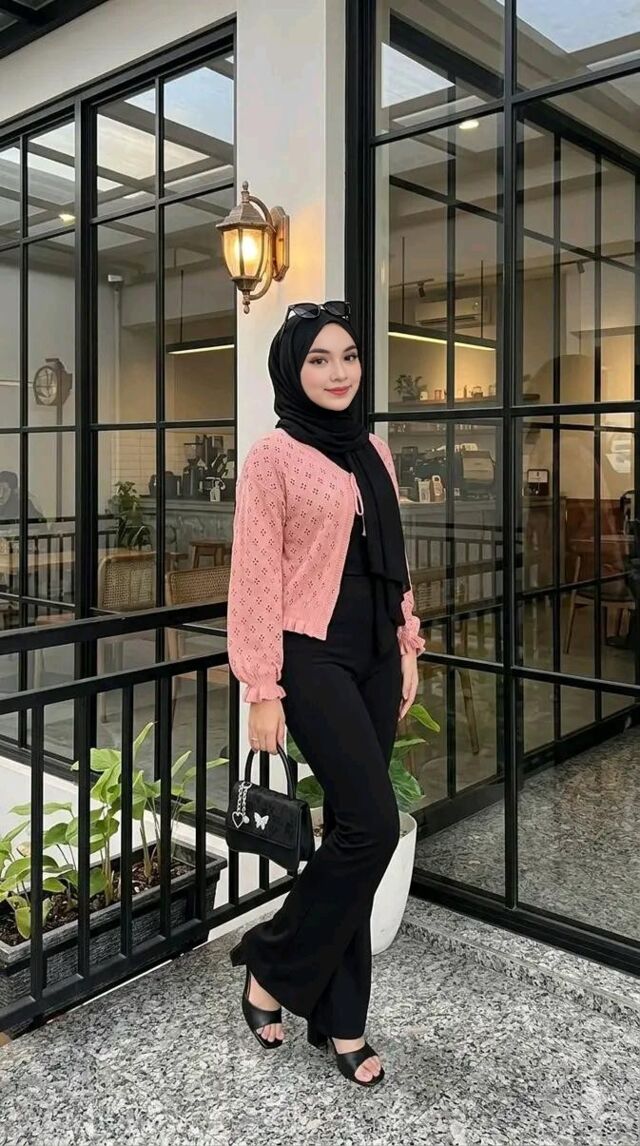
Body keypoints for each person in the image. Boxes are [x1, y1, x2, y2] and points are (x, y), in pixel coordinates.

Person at [226, 300, 425, 1088]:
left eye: (348, 356)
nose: (339, 372)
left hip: (376, 650)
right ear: (292, 369)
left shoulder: (373, 450)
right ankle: (270, 960)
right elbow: (254, 577)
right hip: (311, 656)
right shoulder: (272, 457)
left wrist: (406, 641)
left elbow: (394, 557)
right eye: (319, 359)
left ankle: (344, 1022)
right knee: (373, 827)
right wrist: (261, 687)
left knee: (350, 827)